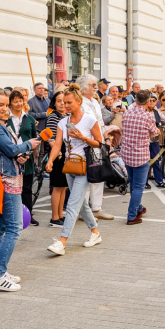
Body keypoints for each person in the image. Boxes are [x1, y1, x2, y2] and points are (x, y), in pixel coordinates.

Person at [0, 90, 39, 291]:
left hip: (4, 178)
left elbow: (8, 152)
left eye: (6, 105)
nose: (5, 108)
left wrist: (19, 155)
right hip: (6, 182)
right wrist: (27, 145)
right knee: (14, 229)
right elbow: (12, 149)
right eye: (0, 104)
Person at [44, 84, 103, 254]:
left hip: (85, 167)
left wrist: (82, 138)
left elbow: (99, 143)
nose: (65, 105)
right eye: (63, 102)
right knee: (82, 203)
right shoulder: (63, 122)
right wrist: (51, 160)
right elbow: (57, 144)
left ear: (78, 102)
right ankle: (95, 233)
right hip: (69, 166)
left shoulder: (89, 120)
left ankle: (62, 242)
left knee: (72, 204)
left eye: (69, 102)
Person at [77, 75, 113, 221]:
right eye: (93, 84)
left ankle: (96, 208)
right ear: (84, 87)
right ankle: (83, 211)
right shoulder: (79, 103)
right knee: (86, 177)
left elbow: (100, 122)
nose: (95, 87)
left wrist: (107, 137)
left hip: (98, 143)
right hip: (86, 144)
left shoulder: (95, 102)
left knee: (99, 175)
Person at [121, 90, 157, 224]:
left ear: (135, 100)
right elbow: (154, 132)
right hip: (140, 155)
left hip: (127, 153)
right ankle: (132, 216)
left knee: (133, 184)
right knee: (138, 188)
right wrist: (157, 131)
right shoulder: (148, 116)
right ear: (148, 102)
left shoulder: (128, 112)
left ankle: (139, 208)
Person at [7, 89, 38, 226]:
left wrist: (31, 155)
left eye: (20, 100)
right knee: (12, 189)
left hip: (27, 157)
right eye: (15, 101)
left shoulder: (29, 118)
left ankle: (28, 214)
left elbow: (34, 139)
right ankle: (14, 216)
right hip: (11, 156)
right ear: (10, 103)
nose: (19, 103)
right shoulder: (6, 119)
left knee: (27, 188)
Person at [43, 91, 68, 228]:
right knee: (57, 187)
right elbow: (50, 138)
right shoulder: (53, 117)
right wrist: (56, 154)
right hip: (57, 154)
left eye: (64, 101)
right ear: (54, 103)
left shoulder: (67, 116)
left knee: (63, 187)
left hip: (66, 154)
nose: (62, 103)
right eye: (59, 101)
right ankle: (54, 218)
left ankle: (60, 215)